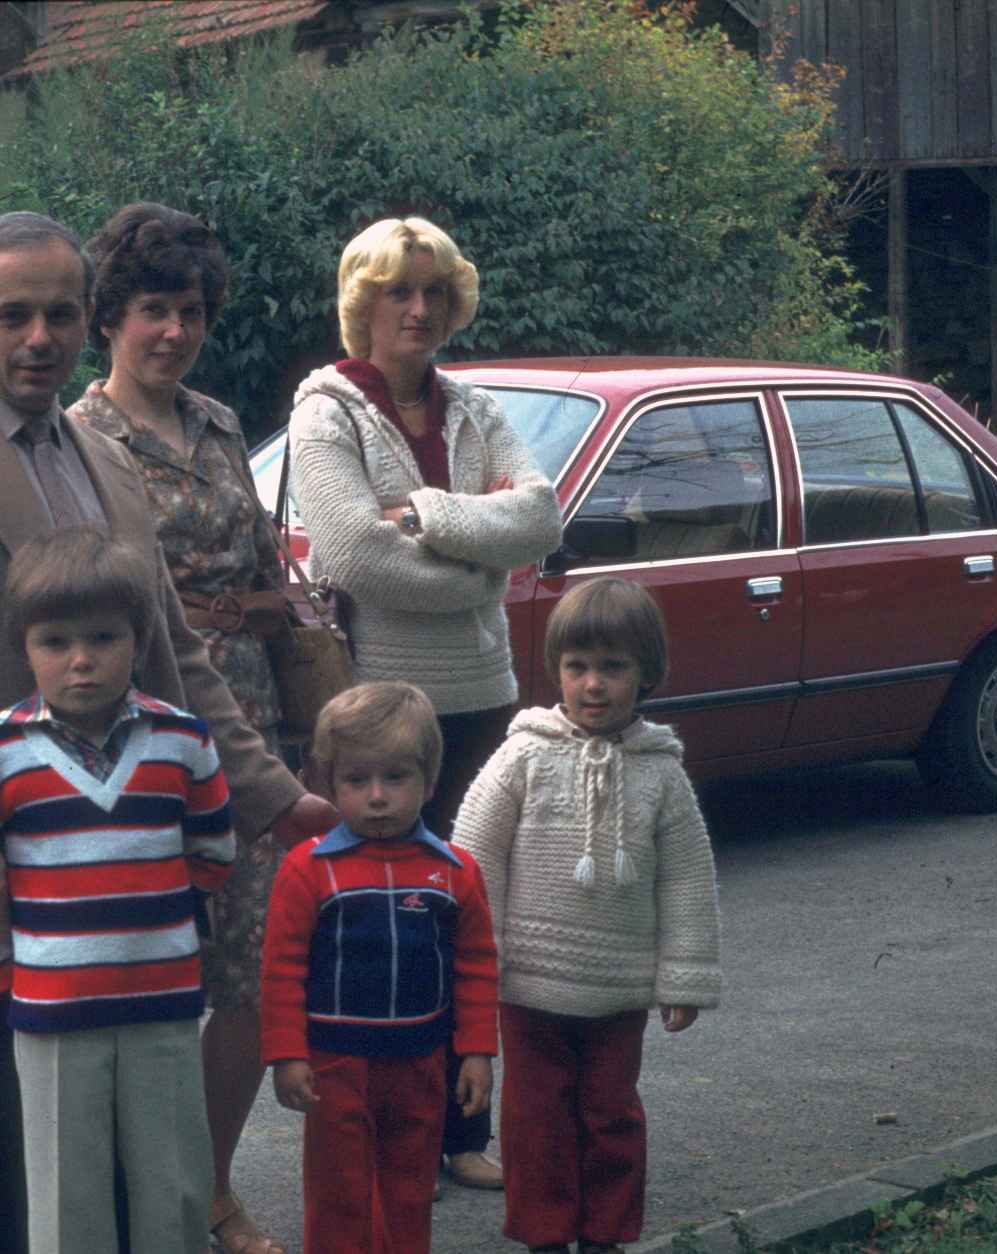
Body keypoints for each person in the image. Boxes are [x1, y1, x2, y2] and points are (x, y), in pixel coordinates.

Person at [0, 210, 339, 1254]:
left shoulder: (105, 460)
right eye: (12, 315)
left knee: (98, 1140)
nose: (40, 338)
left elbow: (174, 656)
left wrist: (275, 796)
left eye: (60, 314)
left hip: (124, 861)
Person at [286, 215, 562, 1188]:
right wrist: (482, 567)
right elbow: (355, 554)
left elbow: (541, 516)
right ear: (361, 304)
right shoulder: (327, 413)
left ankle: (462, 1134)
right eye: (398, 291)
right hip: (380, 707)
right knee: (374, 919)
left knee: (465, 913)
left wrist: (433, 518)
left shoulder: (475, 409)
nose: (418, 309)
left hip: (484, 695)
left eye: (435, 292)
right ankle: (374, 1128)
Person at [66, 202, 292, 1254]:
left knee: (253, 976)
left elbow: (264, 564)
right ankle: (133, 1200)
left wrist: (266, 610)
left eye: (191, 311)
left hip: (252, 720)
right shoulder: (77, 439)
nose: (174, 330)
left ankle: (209, 1187)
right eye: (154, 308)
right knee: (148, 982)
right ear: (110, 316)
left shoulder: (220, 424)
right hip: (140, 727)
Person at [0, 526, 232, 1254]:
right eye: (55, 642)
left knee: (176, 1183)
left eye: (104, 638)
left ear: (139, 640)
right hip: (50, 1011)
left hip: (164, 1005)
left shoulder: (184, 741)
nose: (81, 660)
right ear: (24, 647)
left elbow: (213, 853)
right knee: (65, 1193)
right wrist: (14, 977)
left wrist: (156, 933)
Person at [451, 577, 723, 1254]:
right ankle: (545, 1236)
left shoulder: (660, 772)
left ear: (647, 672)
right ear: (557, 670)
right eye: (577, 667)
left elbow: (687, 875)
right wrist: (477, 959)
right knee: (534, 1117)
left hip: (618, 987)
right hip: (528, 984)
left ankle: (605, 1234)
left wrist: (685, 975)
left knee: (611, 1114)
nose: (593, 684)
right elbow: (476, 855)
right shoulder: (524, 754)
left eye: (613, 667)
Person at [260, 681, 500, 1254]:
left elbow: (476, 966)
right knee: (337, 1191)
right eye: (356, 780)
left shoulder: (455, 871)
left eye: (395, 778)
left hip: (420, 1060)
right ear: (328, 784)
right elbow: (281, 969)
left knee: (409, 1188)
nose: (376, 797)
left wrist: (476, 1052)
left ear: (429, 781)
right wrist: (287, 1055)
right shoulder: (307, 869)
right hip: (334, 1062)